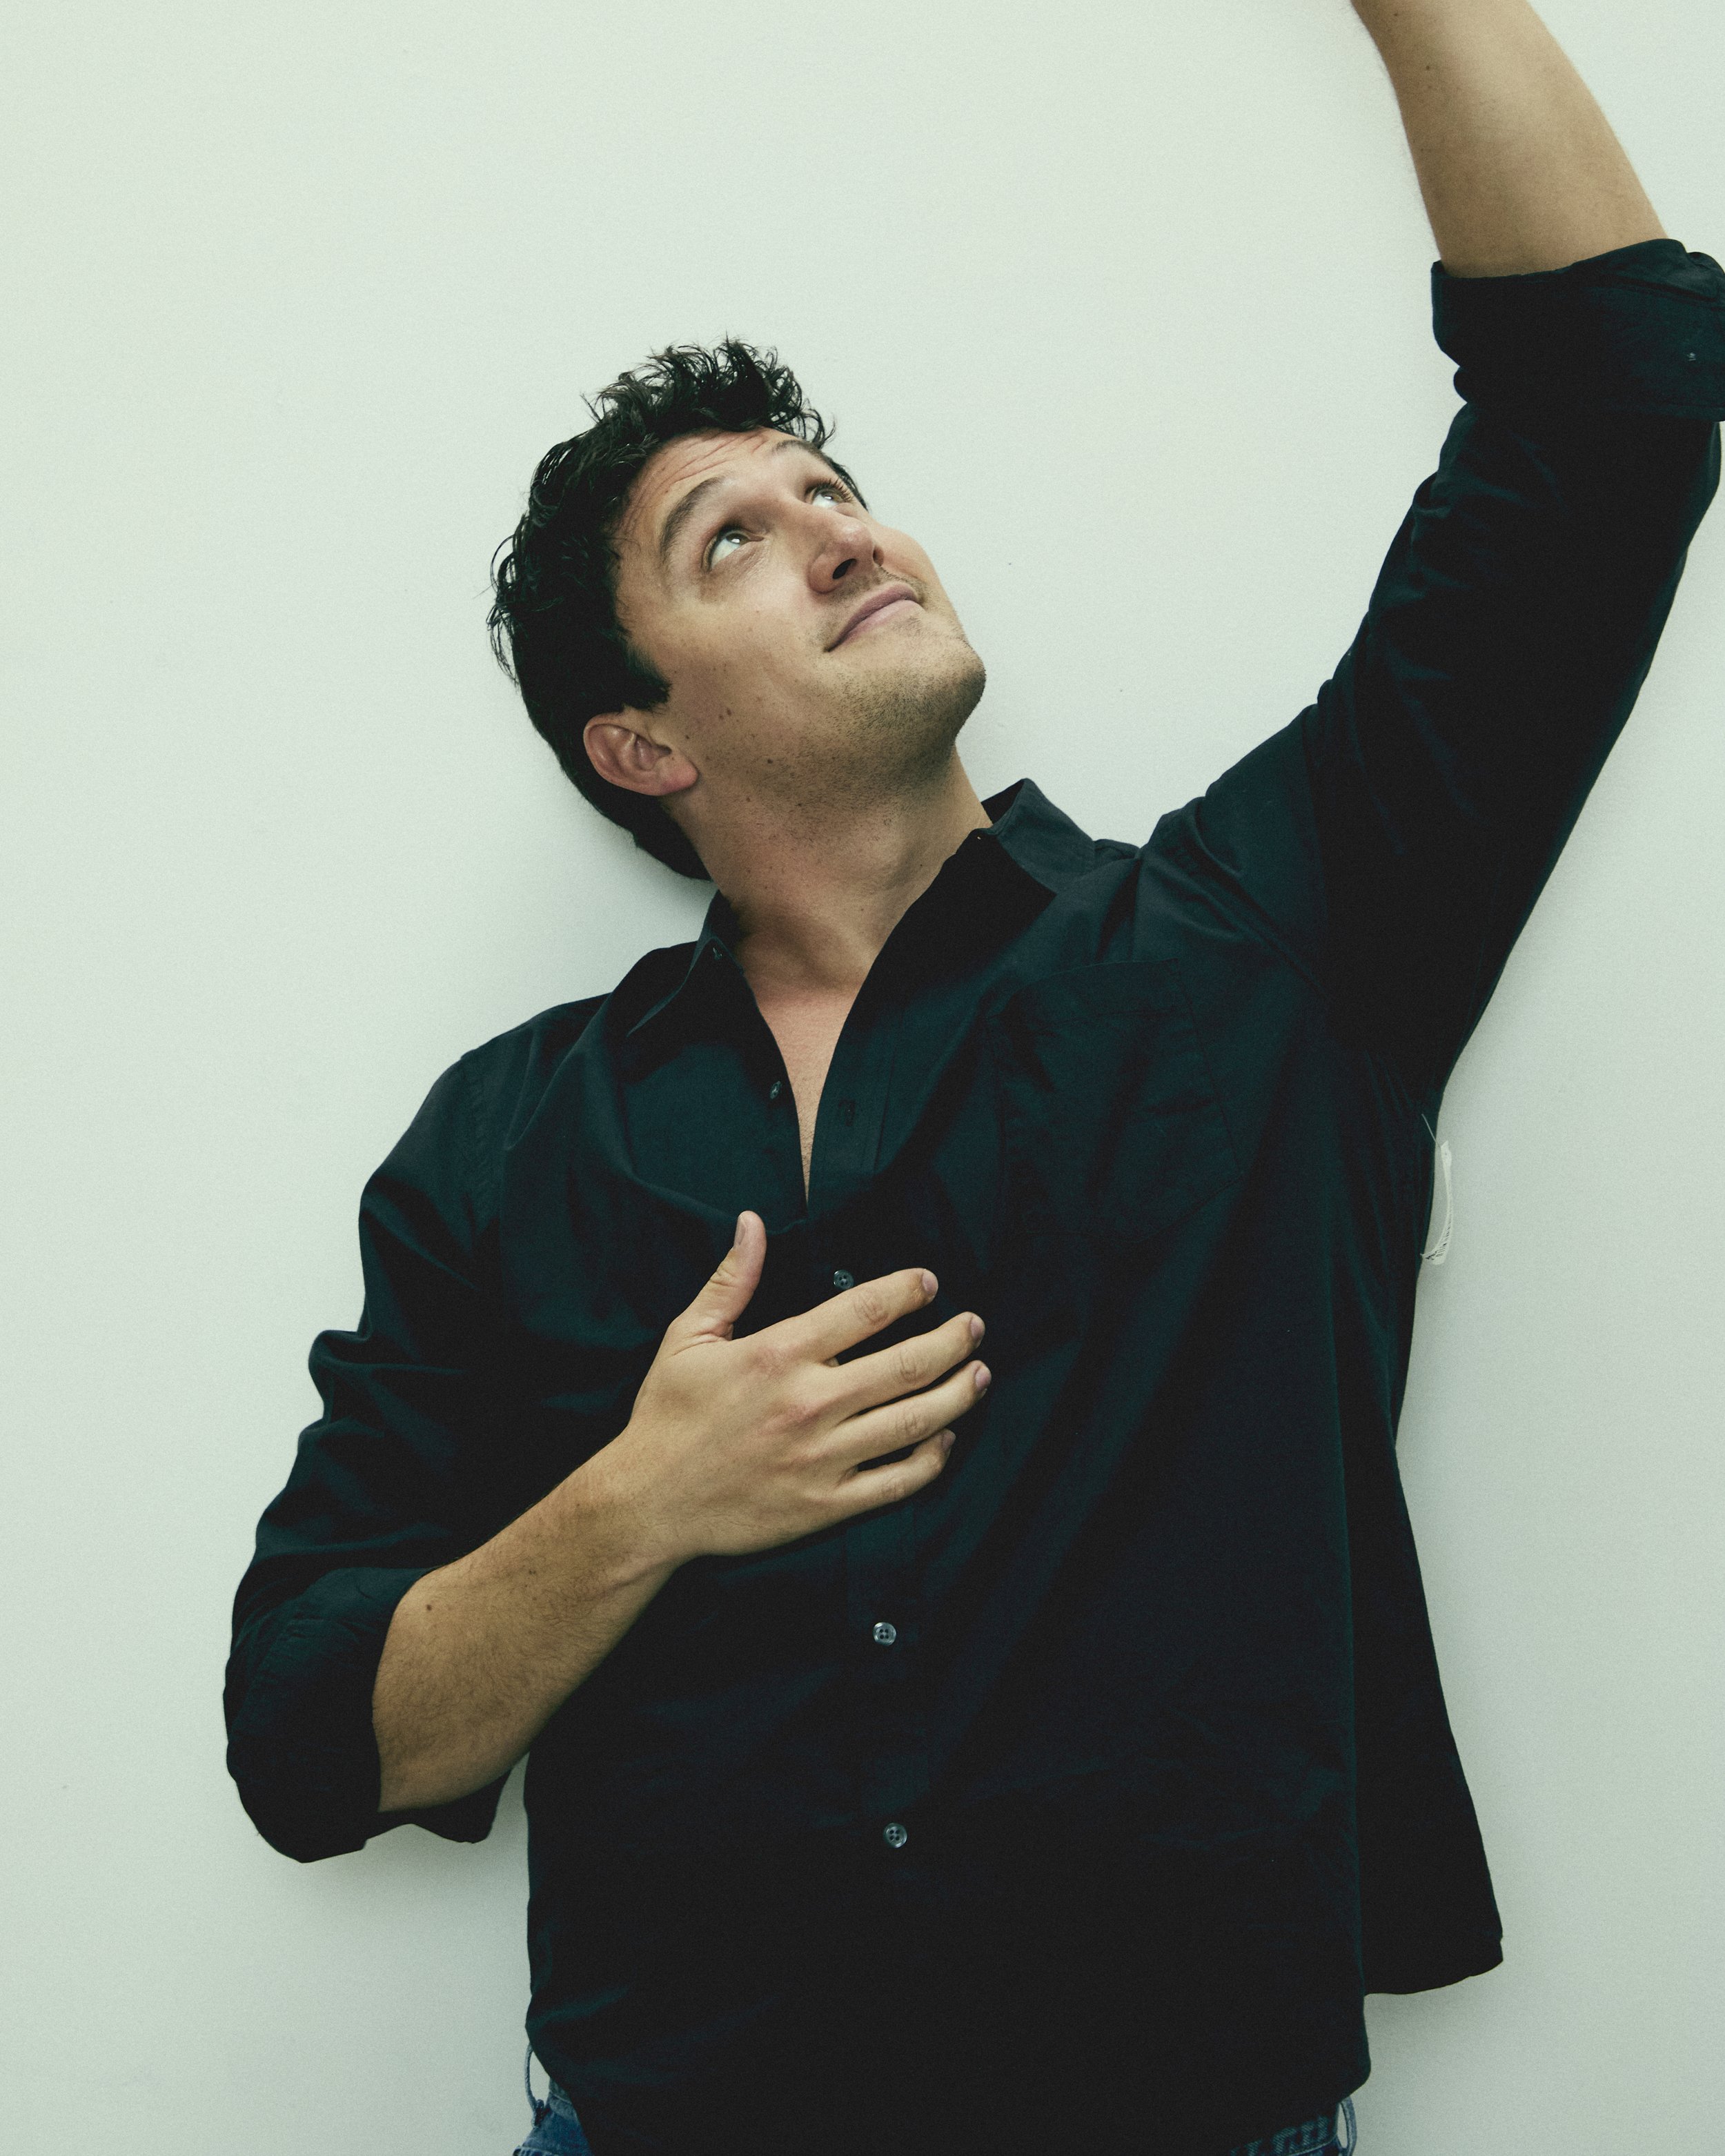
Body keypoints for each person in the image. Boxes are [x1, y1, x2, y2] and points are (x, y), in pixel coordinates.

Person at [224, 2, 1724, 2150]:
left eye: (835, 492)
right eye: (729, 540)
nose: (846, 533)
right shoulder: (507, 1139)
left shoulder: (1268, 954)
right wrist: (642, 1503)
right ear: (638, 745)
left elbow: (1605, 407)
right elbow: (315, 1743)